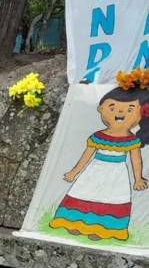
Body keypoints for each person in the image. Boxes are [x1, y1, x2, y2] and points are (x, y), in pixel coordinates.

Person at [50, 85, 148, 241]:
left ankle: (103, 229)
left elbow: (136, 159)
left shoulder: (131, 140)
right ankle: (75, 222)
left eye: (130, 109)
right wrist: (74, 172)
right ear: (101, 109)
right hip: (95, 170)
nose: (120, 112)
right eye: (112, 107)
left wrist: (138, 179)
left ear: (140, 114)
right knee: (84, 192)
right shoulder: (98, 137)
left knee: (112, 197)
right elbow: (86, 156)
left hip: (117, 174)